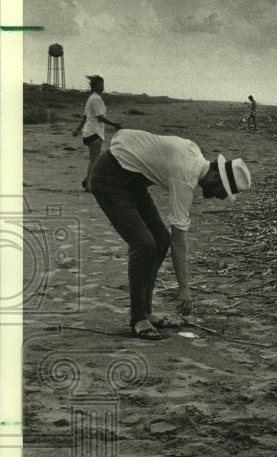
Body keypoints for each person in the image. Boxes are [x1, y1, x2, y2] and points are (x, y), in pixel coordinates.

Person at [88, 129, 252, 340]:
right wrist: (184, 290)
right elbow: (179, 241)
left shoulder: (195, 153)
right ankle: (138, 318)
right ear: (216, 176)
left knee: (160, 239)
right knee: (144, 245)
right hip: (108, 179)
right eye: (223, 191)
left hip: (134, 182)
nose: (219, 198)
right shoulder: (186, 175)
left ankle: (146, 310)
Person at [72, 75, 122, 192]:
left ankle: (87, 180)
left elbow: (85, 116)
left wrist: (78, 129)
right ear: (94, 86)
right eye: (100, 85)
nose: (102, 87)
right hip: (95, 132)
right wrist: (115, 124)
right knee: (94, 159)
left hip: (89, 132)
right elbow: (100, 117)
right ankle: (89, 184)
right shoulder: (96, 99)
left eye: (103, 84)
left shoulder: (91, 98)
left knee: (93, 158)